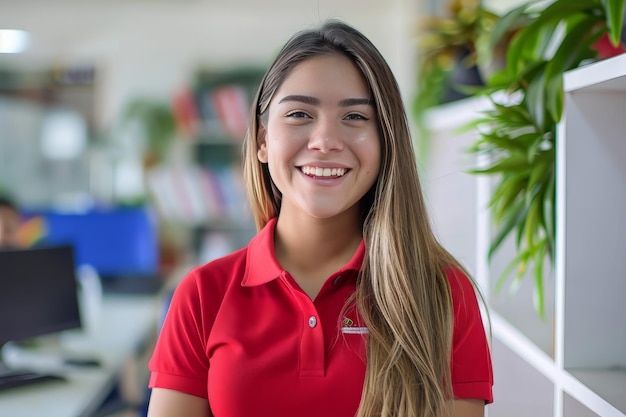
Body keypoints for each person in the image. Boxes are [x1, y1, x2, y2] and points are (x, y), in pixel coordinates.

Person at [147, 19, 493, 417]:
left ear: (386, 143)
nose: (325, 140)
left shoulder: (442, 292)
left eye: (356, 118)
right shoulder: (202, 296)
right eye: (299, 114)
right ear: (262, 140)